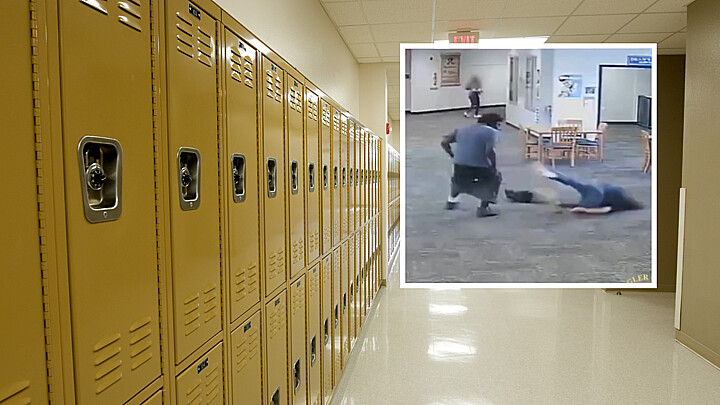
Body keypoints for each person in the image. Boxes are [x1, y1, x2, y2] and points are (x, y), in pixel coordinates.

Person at [504, 163, 644, 214]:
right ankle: (520, 196)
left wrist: (551, 174)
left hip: (595, 191)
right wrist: (581, 209)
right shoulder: (614, 203)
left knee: (569, 190)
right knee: (564, 199)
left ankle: (519, 195)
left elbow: (602, 209)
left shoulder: (612, 195)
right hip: (594, 194)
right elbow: (603, 210)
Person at [441, 113, 503, 217]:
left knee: (457, 180)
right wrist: (494, 168)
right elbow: (489, 152)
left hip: (459, 164)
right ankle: (484, 208)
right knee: (494, 178)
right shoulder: (491, 132)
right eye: (498, 124)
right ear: (492, 123)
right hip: (479, 166)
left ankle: (450, 202)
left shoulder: (462, 129)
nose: (498, 127)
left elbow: (444, 142)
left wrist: (452, 155)